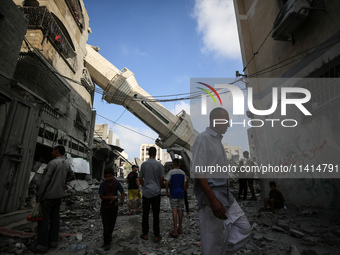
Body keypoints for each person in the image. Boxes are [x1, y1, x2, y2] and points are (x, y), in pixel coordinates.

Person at [191, 107, 251, 254]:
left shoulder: (217, 141)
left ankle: (221, 250)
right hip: (212, 200)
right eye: (226, 121)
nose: (228, 124)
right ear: (215, 120)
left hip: (225, 196)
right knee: (212, 244)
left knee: (244, 228)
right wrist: (213, 201)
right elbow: (198, 173)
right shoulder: (203, 138)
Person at [30, 145, 74, 254]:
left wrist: (39, 194)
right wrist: (64, 183)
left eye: (53, 151)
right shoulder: (67, 164)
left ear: (57, 151)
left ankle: (42, 246)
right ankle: (53, 242)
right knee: (55, 219)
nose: (51, 153)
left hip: (48, 195)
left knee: (43, 221)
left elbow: (46, 179)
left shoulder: (52, 163)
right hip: (59, 195)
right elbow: (72, 175)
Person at [139, 146, 164, 242]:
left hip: (146, 192)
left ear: (148, 153)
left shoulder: (144, 165)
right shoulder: (159, 165)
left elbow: (140, 178)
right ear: (156, 153)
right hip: (156, 192)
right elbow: (161, 178)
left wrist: (143, 186)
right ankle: (156, 235)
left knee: (145, 214)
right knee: (156, 214)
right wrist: (159, 186)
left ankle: (145, 234)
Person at [98, 168, 125, 251]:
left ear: (113, 176)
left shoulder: (117, 183)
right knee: (106, 225)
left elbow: (122, 192)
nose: (108, 178)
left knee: (112, 224)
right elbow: (101, 196)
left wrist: (122, 201)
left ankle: (108, 238)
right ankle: (107, 242)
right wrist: (111, 197)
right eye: (107, 177)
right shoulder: (103, 185)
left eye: (110, 176)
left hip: (114, 207)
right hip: (105, 208)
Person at [165, 158, 187, 237]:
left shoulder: (171, 172)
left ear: (173, 164)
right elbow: (185, 184)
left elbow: (166, 182)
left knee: (174, 210)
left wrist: (167, 191)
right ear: (179, 164)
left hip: (173, 193)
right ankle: (180, 228)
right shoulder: (183, 172)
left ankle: (175, 230)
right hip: (181, 193)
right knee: (180, 210)